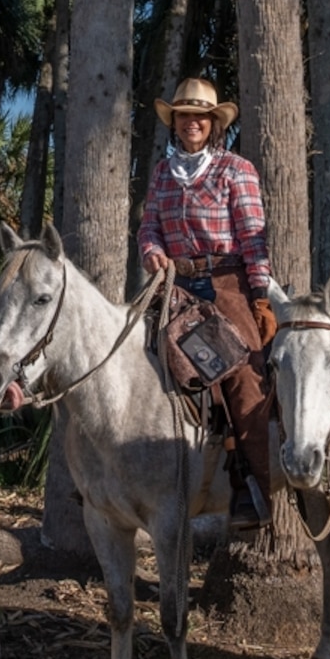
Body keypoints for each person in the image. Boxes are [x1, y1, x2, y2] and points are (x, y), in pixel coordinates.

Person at [136, 77, 282, 519]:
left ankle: (251, 485)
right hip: (175, 286)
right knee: (139, 362)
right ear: (175, 122)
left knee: (243, 378)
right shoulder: (163, 173)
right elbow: (149, 227)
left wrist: (259, 296)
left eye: (200, 116)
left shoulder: (236, 170)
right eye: (184, 115)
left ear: (213, 122)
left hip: (226, 281)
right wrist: (152, 251)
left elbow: (253, 240)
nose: (191, 122)